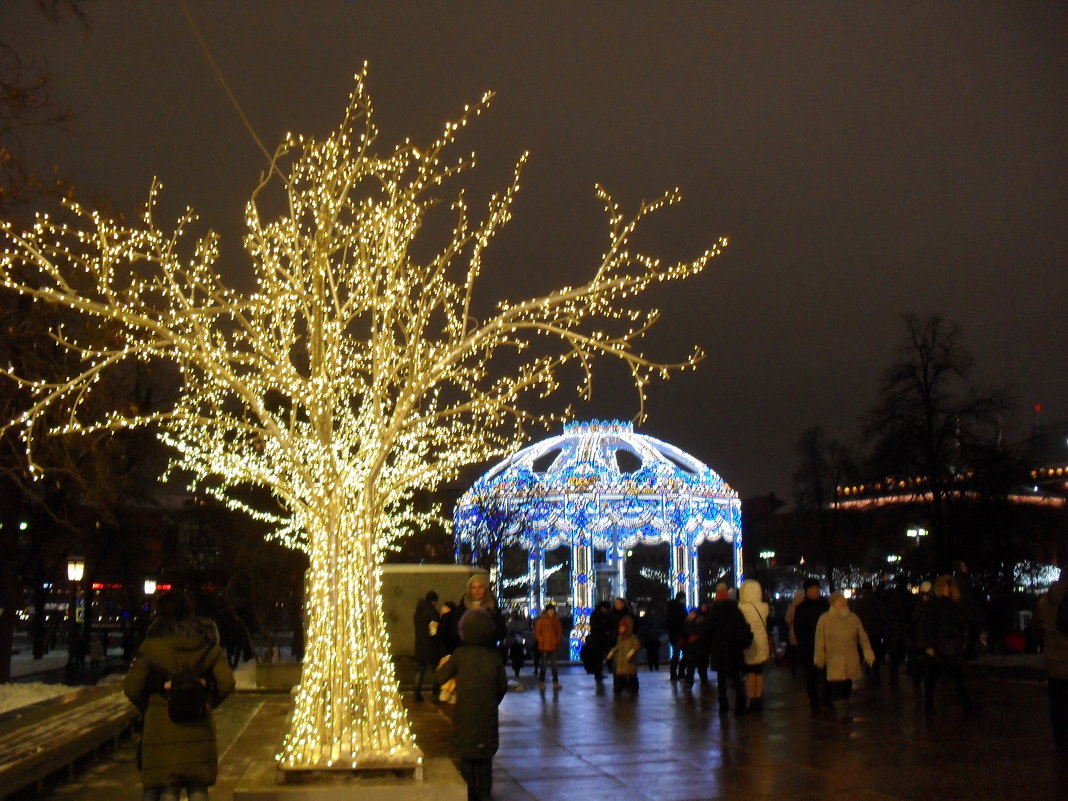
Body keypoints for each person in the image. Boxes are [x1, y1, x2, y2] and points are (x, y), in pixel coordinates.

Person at [123, 590, 235, 801]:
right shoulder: (208, 645)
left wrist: (150, 705)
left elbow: (132, 687)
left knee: (166, 788)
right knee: (198, 789)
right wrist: (207, 700)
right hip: (198, 726)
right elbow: (227, 683)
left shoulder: (151, 646)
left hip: (160, 728)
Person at [435, 608, 508, 801]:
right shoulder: (494, 657)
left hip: (465, 716)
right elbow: (502, 687)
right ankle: (484, 796)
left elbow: (440, 676)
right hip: (487, 718)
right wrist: (490, 701)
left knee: (467, 763)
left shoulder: (460, 655)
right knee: (485, 765)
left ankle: (469, 796)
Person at [814, 591, 875, 723]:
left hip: (850, 657)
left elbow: (862, 637)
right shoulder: (825, 619)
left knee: (847, 685)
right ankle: (842, 713)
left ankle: (845, 710)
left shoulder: (853, 618)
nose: (842, 602)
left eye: (843, 600)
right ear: (833, 603)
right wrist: (819, 657)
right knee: (837, 686)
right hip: (834, 659)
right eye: (839, 600)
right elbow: (819, 640)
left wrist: (868, 651)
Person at [922, 574, 973, 716]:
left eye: (948, 586)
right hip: (940, 644)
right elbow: (928, 625)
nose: (947, 589)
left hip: (949, 644)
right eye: (944, 586)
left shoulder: (951, 604)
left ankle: (966, 706)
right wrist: (930, 645)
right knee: (935, 678)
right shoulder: (935, 603)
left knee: (955, 677)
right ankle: (929, 706)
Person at [1035, 571, 1068, 751]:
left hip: (1053, 659)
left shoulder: (1045, 601)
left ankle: (1060, 739)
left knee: (1057, 703)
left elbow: (1039, 625)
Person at [705, 585, 749, 717]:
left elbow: (709, 630)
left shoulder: (714, 612)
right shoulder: (736, 610)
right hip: (734, 648)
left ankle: (723, 705)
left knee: (721, 679)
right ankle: (740, 705)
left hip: (719, 649)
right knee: (736, 678)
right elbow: (743, 626)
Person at [793, 578, 830, 712]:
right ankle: (814, 701)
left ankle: (826, 699)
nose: (816, 591)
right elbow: (798, 629)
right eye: (813, 589)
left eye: (817, 589)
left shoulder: (825, 605)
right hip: (809, 646)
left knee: (827, 674)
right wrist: (803, 645)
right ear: (807, 591)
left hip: (826, 645)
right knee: (812, 676)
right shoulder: (801, 608)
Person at [738, 579, 771, 712]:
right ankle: (758, 698)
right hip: (762, 644)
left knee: (750, 673)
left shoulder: (742, 608)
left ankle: (752, 699)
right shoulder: (764, 607)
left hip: (749, 643)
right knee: (759, 672)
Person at [413, 590, 441, 702]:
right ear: (434, 601)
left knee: (420, 669)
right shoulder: (432, 612)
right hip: (430, 645)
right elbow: (434, 630)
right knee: (437, 670)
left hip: (419, 644)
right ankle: (436, 693)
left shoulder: (418, 612)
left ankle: (416, 692)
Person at [606, 614, 640, 696]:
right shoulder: (620, 638)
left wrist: (631, 653)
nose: (621, 629)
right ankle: (618, 690)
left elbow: (636, 646)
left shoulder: (632, 637)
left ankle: (633, 689)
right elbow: (618, 647)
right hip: (621, 662)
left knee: (632, 677)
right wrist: (612, 652)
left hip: (629, 662)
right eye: (620, 627)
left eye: (623, 627)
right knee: (620, 678)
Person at [534, 603, 564, 690]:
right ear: (547, 611)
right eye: (550, 610)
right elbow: (537, 632)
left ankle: (555, 682)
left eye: (553, 610)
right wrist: (541, 640)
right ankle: (541, 682)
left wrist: (557, 641)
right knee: (544, 665)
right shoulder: (541, 620)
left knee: (554, 665)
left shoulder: (556, 620)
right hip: (544, 646)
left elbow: (559, 632)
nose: (552, 612)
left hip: (553, 645)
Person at [583, 600, 612, 684]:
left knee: (599, 656)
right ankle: (598, 673)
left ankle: (598, 672)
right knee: (598, 656)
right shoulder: (598, 615)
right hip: (598, 638)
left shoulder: (597, 614)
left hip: (599, 638)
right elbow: (597, 626)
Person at [666, 591, 687, 681]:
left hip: (674, 635)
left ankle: (673, 673)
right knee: (684, 654)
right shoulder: (680, 608)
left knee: (676, 654)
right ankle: (680, 672)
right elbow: (682, 621)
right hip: (680, 635)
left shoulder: (671, 607)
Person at [505, 610, 530, 678]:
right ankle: (519, 665)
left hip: (514, 642)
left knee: (514, 656)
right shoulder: (521, 623)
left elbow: (508, 631)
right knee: (520, 654)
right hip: (519, 642)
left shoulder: (510, 623)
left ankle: (516, 669)